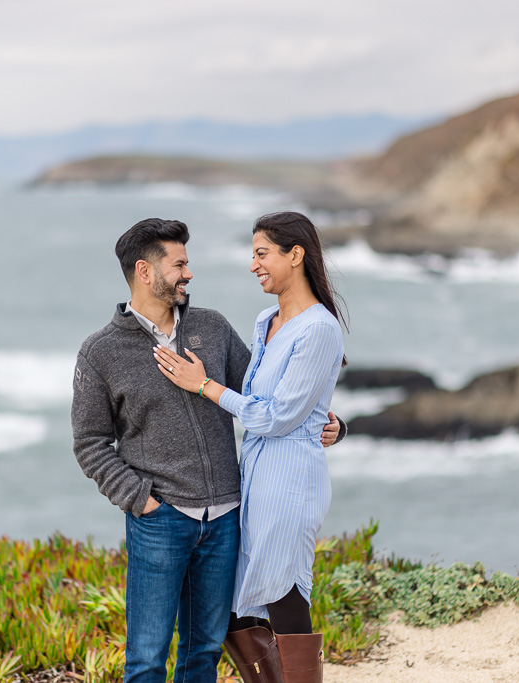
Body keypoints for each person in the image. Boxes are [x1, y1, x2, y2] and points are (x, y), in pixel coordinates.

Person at [71, 217, 343, 683]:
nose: (189, 274)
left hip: (224, 520)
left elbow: (263, 396)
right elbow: (90, 443)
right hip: (161, 521)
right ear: (145, 271)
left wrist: (332, 422)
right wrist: (142, 500)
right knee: (146, 658)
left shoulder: (213, 329)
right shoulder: (101, 352)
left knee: (204, 652)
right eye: (179, 264)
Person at [155, 211, 347, 683]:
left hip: (291, 481)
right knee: (239, 609)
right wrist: (334, 424)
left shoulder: (320, 329)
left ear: (295, 255)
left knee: (283, 598)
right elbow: (260, 395)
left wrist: (204, 386)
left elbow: (277, 415)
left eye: (262, 253)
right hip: (256, 480)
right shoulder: (267, 321)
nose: (253, 264)